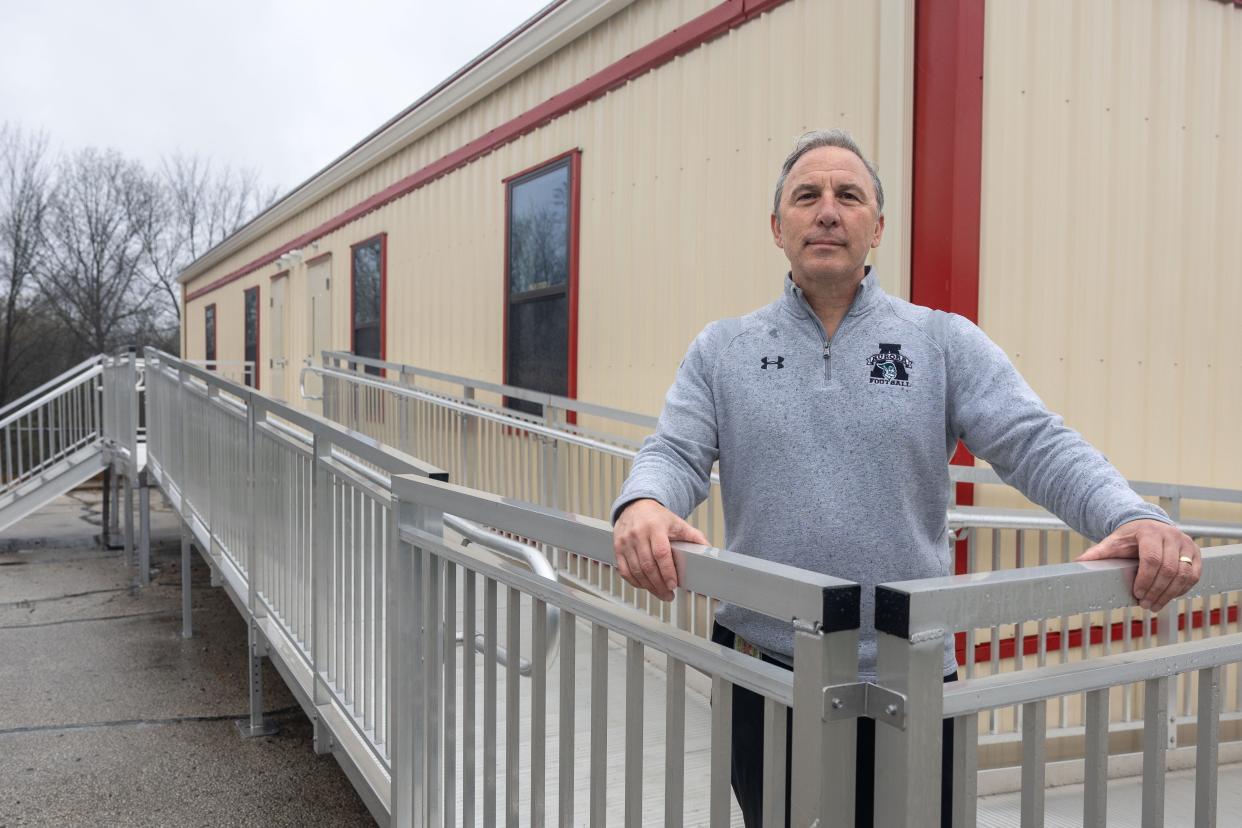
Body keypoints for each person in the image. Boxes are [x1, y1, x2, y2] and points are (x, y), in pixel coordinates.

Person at [610, 129, 1201, 827]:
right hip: (766, 670)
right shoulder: (722, 350)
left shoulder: (940, 342)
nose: (827, 211)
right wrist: (644, 501)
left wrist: (1129, 515)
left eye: (848, 195)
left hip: (910, 672)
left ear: (877, 226)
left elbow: (1036, 442)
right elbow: (675, 452)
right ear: (778, 228)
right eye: (807, 196)